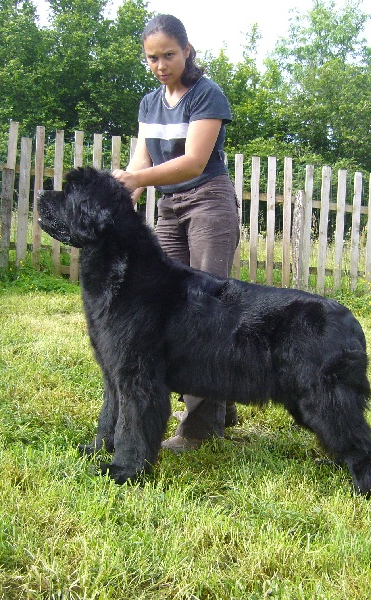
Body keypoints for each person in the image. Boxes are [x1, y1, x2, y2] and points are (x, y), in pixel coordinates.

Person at [112, 14, 240, 451]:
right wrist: (121, 197)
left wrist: (137, 182)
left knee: (206, 310)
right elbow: (139, 165)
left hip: (208, 202)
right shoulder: (149, 104)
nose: (161, 64)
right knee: (167, 308)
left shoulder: (207, 95)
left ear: (186, 51)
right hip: (169, 209)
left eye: (169, 54)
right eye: (152, 58)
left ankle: (201, 429)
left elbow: (193, 162)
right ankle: (223, 401)